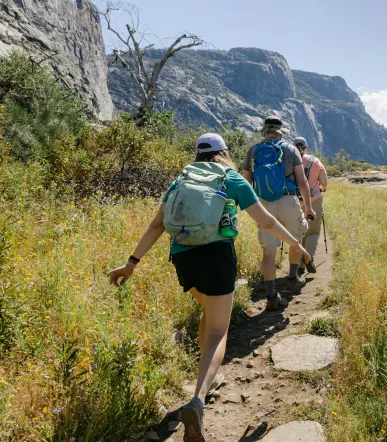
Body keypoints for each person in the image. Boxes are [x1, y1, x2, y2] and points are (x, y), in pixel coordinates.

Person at [107, 133, 310, 442]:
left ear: (198, 154)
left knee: (207, 310)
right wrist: (297, 244)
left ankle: (208, 379)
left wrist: (131, 263)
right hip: (217, 257)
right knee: (219, 331)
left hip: (183, 258)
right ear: (224, 152)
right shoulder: (231, 179)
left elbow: (157, 225)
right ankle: (198, 400)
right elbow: (267, 222)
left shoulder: (182, 179)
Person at [242, 116, 316, 309]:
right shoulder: (291, 149)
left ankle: (271, 296)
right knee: (295, 240)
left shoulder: (254, 151)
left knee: (268, 253)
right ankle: (292, 276)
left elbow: (246, 183)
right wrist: (308, 207)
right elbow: (302, 182)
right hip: (288, 200)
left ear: (264, 131)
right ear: (280, 131)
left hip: (264, 204)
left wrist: (253, 207)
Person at [292, 136, 328, 276]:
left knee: (299, 233)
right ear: (305, 148)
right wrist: (319, 187)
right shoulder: (315, 161)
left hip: (293, 201)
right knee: (313, 232)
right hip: (314, 201)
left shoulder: (287, 161)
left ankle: (299, 267)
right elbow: (324, 183)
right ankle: (309, 257)